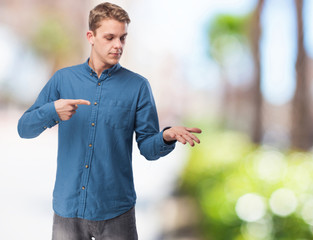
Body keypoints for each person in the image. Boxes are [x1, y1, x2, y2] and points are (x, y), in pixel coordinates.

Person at [17, 2, 201, 240]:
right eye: (110, 37)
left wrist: (165, 137)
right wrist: (52, 111)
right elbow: (24, 128)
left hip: (117, 213)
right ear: (90, 36)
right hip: (68, 211)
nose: (118, 45)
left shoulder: (138, 86)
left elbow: (148, 148)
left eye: (123, 38)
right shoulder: (63, 80)